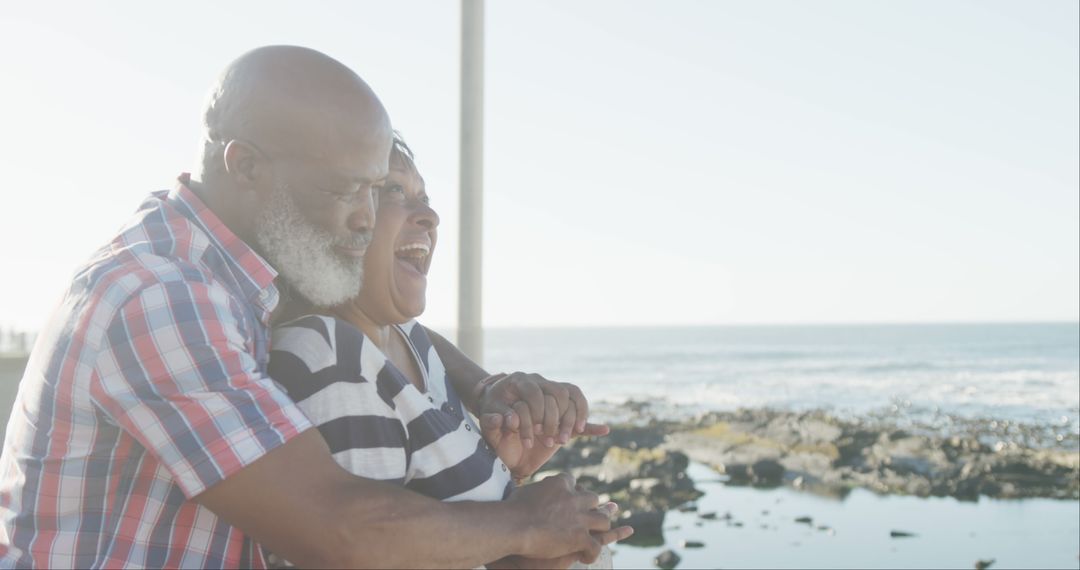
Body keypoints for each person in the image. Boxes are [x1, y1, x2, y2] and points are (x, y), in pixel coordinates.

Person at [0, 46, 621, 569]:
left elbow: (391, 329)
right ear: (243, 165)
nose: (364, 215)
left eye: (374, 188)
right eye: (347, 189)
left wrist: (484, 386)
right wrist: (524, 526)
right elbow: (336, 525)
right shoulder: (165, 294)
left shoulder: (236, 269)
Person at [268, 135, 627, 568]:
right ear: (339, 216)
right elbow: (362, 549)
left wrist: (509, 473)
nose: (430, 216)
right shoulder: (331, 360)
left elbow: (443, 527)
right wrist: (530, 550)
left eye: (424, 196)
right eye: (392, 190)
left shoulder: (410, 340)